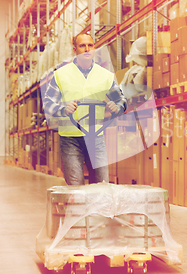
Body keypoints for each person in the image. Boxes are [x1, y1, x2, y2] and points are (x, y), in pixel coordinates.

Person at [43, 33, 127, 185]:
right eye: (82, 46)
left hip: (96, 137)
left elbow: (121, 100)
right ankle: (78, 209)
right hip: (70, 139)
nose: (87, 49)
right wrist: (63, 109)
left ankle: (97, 210)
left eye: (90, 45)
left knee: (101, 184)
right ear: (75, 49)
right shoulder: (60, 74)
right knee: (75, 186)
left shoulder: (106, 76)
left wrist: (118, 107)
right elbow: (48, 103)